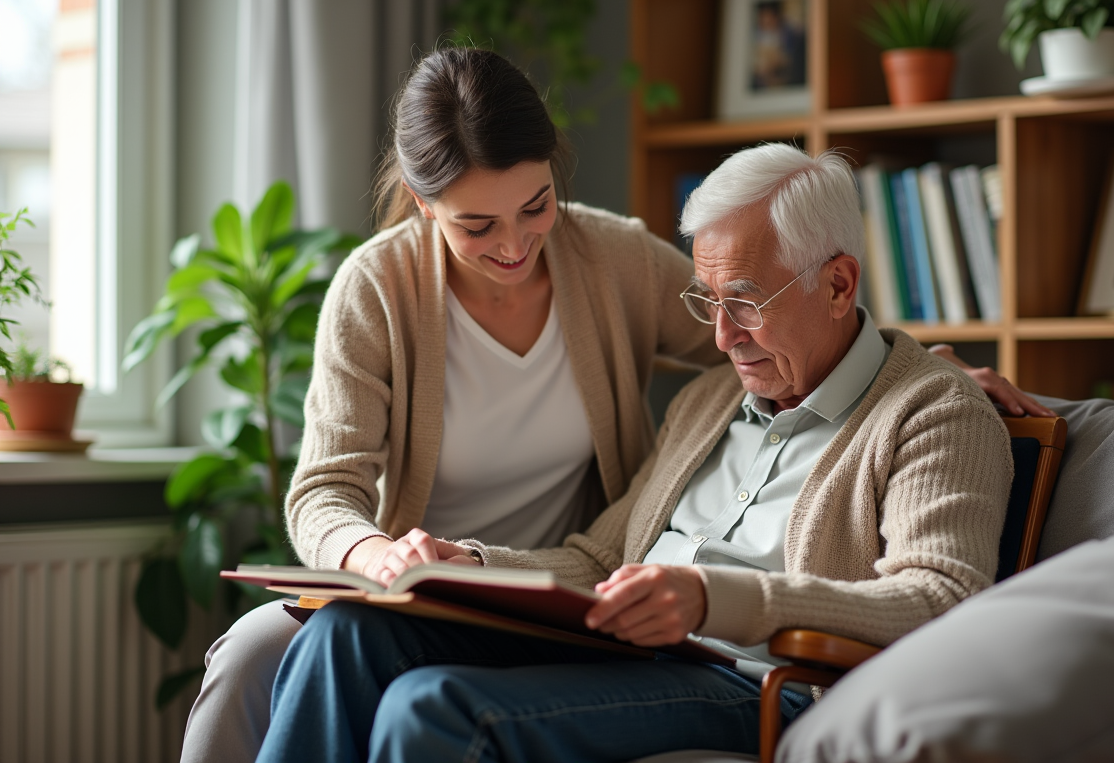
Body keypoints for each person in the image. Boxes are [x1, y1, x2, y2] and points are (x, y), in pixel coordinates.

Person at [256, 144, 1017, 763]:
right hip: (627, 646)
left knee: (436, 711)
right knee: (348, 634)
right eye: (706, 304)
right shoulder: (710, 400)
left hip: (758, 679)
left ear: (840, 285)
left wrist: (714, 597)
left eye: (745, 303)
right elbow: (598, 559)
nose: (720, 339)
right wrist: (472, 567)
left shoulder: (932, 411)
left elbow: (938, 596)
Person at [179, 47, 727, 763]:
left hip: (552, 591)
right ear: (420, 198)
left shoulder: (614, 258)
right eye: (476, 226)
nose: (513, 245)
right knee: (248, 657)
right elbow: (324, 492)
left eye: (536, 206)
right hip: (412, 598)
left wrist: (898, 359)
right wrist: (374, 554)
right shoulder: (375, 288)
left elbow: (755, 334)